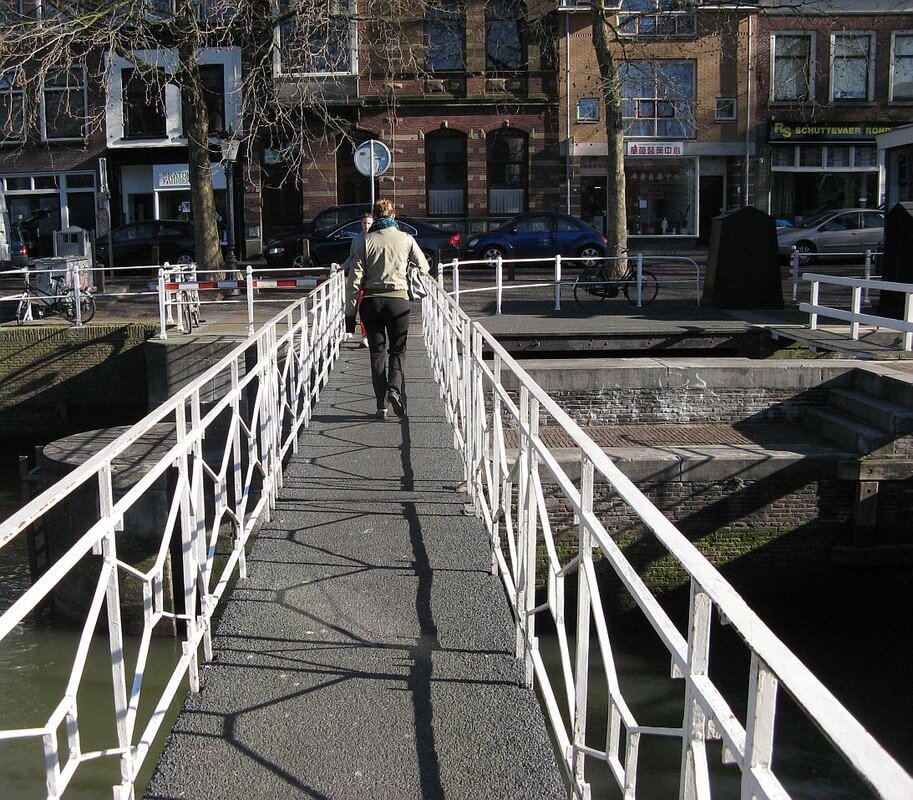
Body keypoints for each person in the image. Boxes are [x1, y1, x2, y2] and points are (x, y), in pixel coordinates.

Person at [344, 198, 430, 420]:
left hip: (371, 302)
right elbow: (425, 266)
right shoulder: (407, 239)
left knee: (377, 353)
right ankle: (394, 388)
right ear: (393, 216)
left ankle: (381, 405)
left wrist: (349, 315)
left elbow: (354, 280)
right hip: (398, 302)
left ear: (375, 216)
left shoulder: (364, 241)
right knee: (398, 350)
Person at [334, 212, 373, 347]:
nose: (366, 226)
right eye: (364, 223)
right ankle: (358, 332)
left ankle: (367, 335)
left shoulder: (376, 238)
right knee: (356, 304)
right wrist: (343, 266)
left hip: (372, 277)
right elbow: (352, 256)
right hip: (358, 276)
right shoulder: (357, 239)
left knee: (367, 308)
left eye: (368, 223)